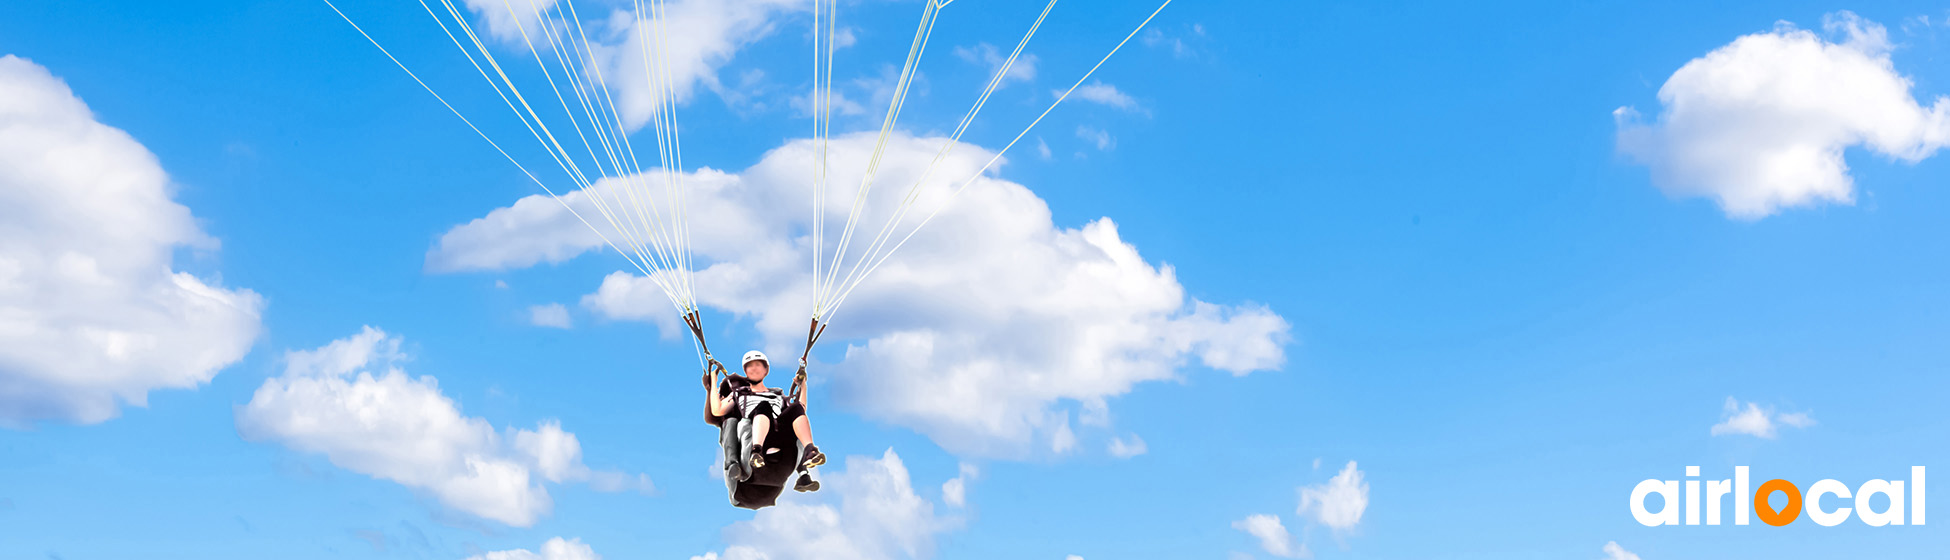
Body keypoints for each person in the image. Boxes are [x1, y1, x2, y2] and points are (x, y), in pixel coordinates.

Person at [704, 350, 826, 493]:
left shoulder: (777, 394)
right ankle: (756, 452)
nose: (754, 368)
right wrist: (713, 383)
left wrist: (802, 386)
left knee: (795, 407)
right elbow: (717, 411)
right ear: (746, 371)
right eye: (750, 366)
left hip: (779, 431)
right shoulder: (739, 393)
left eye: (758, 365)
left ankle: (810, 450)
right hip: (754, 431)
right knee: (764, 406)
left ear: (766, 370)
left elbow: (800, 410)